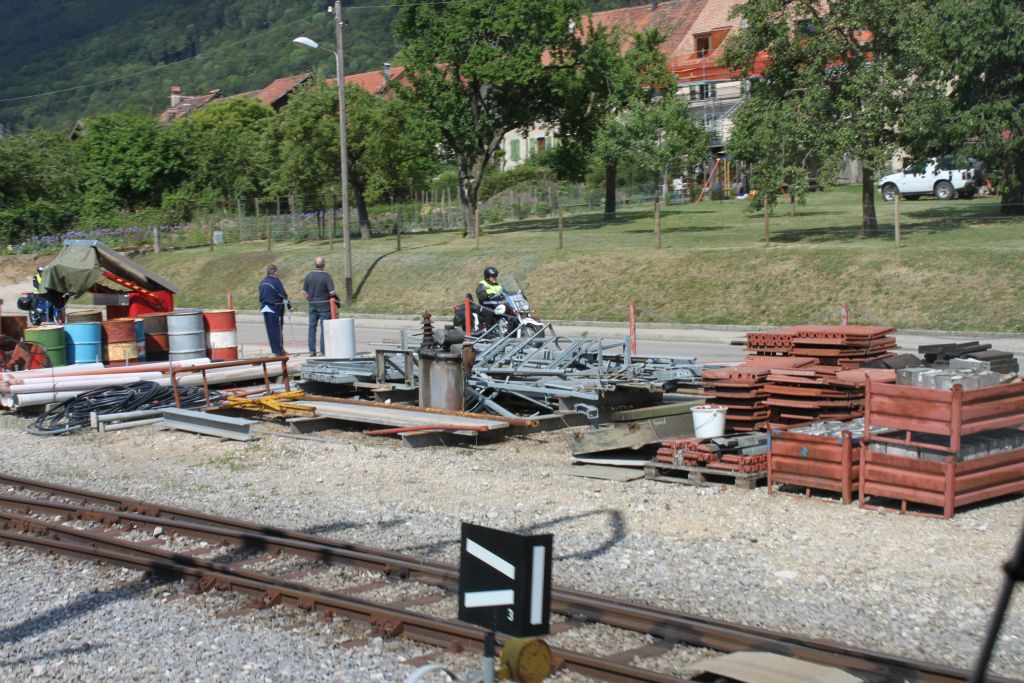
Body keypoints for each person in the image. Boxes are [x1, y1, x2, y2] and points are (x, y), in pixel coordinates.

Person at [302, 256, 337, 357]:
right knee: (324, 327)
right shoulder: (326, 276)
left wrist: (310, 299)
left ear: (314, 264)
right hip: (324, 303)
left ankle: (311, 350)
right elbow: (332, 292)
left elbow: (304, 292)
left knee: (312, 327)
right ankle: (322, 350)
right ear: (324, 264)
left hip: (312, 303)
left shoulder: (309, 276)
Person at [258, 264, 290, 357]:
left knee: (270, 329)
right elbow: (283, 295)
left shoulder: (262, 282)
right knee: (277, 329)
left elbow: (261, 297)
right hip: (275, 307)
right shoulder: (276, 282)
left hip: (265, 307)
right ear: (275, 272)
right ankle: (279, 350)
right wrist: (289, 306)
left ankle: (275, 350)